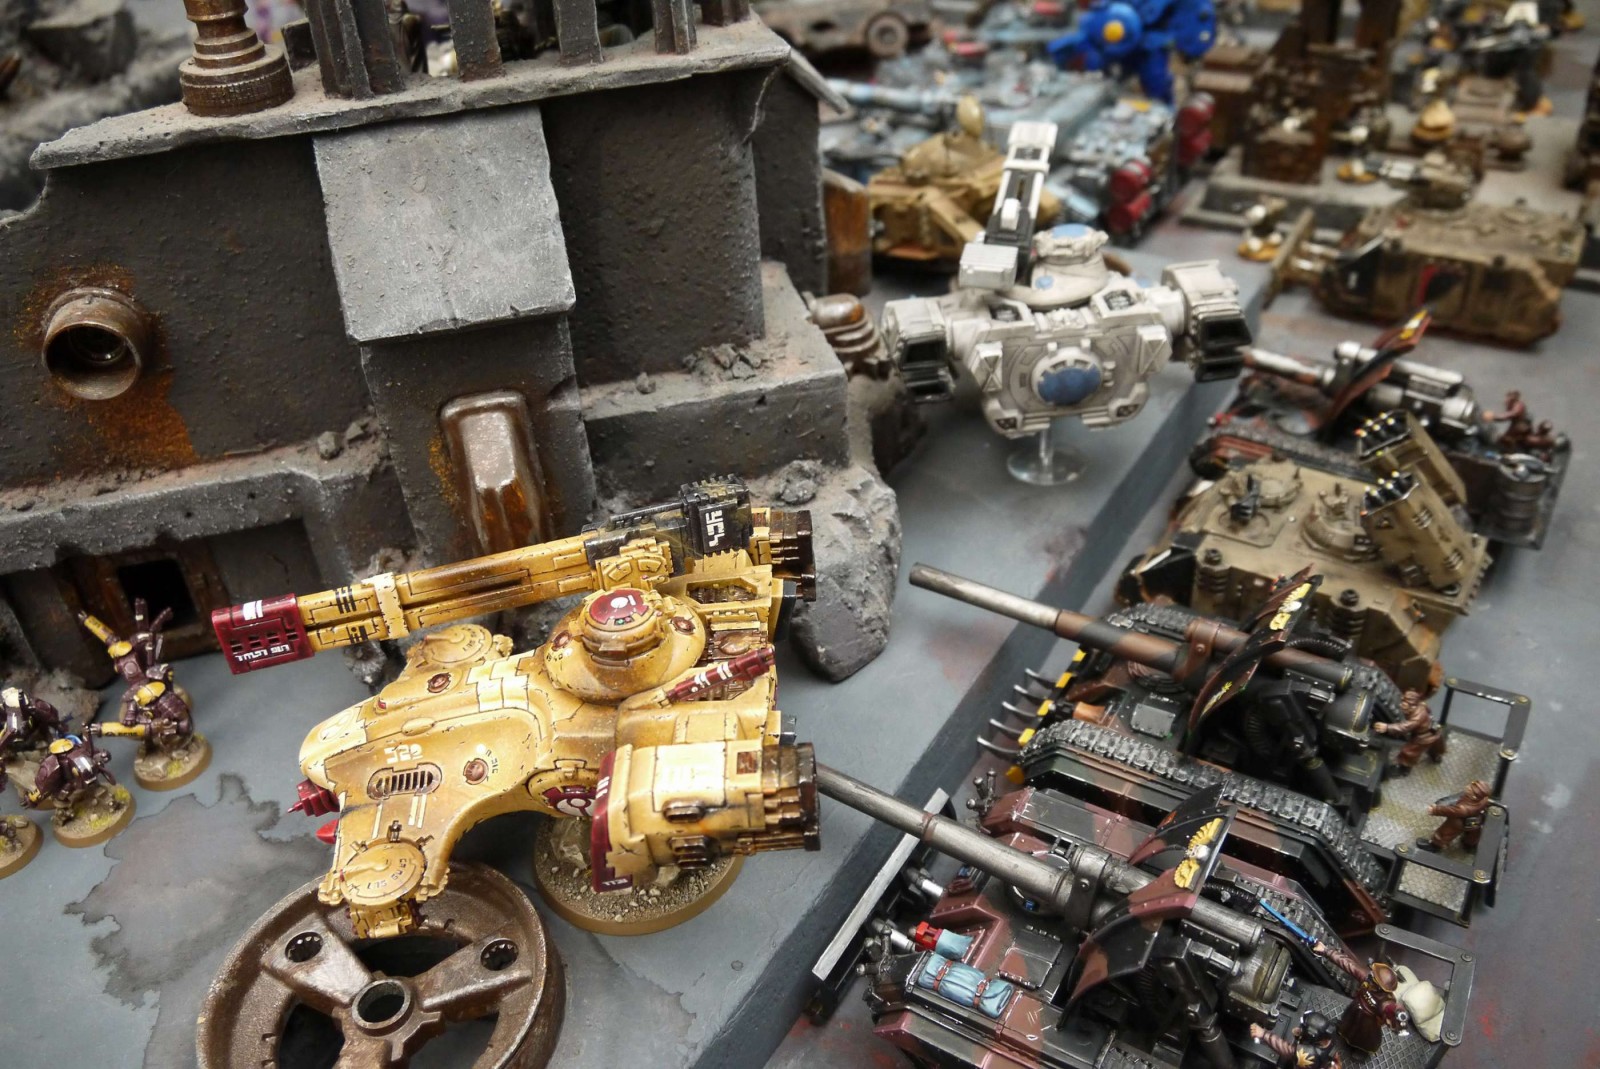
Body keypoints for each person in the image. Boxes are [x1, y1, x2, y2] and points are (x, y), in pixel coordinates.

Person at [1373, 689, 1446, 773]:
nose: (1401, 705)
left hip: (1424, 737)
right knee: (1435, 747)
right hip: (1432, 731)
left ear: (1412, 706)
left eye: (1404, 705)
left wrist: (1387, 727)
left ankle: (1404, 768)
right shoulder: (1421, 705)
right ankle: (1436, 756)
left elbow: (1405, 727)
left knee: (1409, 752)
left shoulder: (1417, 717)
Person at [1250, 1009, 1343, 1067]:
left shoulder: (1310, 1053)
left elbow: (1287, 1050)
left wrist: (1263, 1034)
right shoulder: (1329, 1035)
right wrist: (1301, 1034)